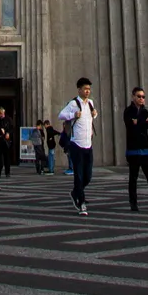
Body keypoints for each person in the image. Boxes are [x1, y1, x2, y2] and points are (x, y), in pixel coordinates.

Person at [58, 76, 97, 215]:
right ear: (79, 90)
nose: (87, 91)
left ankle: (76, 192)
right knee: (79, 175)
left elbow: (90, 118)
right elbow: (61, 115)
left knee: (88, 176)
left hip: (88, 144)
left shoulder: (91, 103)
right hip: (76, 144)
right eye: (85, 89)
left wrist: (95, 114)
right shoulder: (74, 103)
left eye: (89, 89)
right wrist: (73, 114)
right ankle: (81, 203)